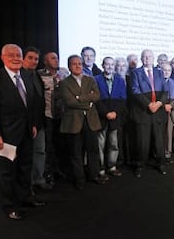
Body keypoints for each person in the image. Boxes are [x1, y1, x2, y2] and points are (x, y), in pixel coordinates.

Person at [0, 44, 45, 220]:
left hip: (26, 133)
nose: (16, 58)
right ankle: (10, 206)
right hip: (5, 136)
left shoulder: (26, 76)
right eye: (11, 55)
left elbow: (30, 105)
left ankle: (25, 198)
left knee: (25, 168)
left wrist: (32, 125)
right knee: (6, 172)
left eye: (18, 55)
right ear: (2, 57)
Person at [59, 55, 106, 189]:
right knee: (76, 153)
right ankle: (79, 179)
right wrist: (87, 102)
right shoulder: (64, 83)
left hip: (90, 121)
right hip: (73, 123)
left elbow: (96, 96)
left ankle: (94, 175)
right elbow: (69, 102)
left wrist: (79, 97)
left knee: (93, 150)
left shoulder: (90, 79)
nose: (78, 66)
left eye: (80, 63)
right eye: (74, 64)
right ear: (69, 66)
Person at [130, 49, 168, 177]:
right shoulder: (136, 73)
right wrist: (148, 104)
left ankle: (161, 164)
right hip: (143, 112)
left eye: (150, 56)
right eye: (145, 57)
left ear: (153, 58)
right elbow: (135, 90)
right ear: (141, 59)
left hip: (158, 111)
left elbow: (165, 91)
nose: (147, 59)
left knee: (159, 141)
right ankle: (139, 166)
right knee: (142, 141)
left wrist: (158, 103)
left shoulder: (159, 72)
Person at [22, 46, 52, 191]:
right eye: (30, 58)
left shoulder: (36, 75)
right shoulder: (19, 76)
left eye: (36, 59)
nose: (34, 61)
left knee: (40, 152)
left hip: (39, 122)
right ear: (23, 58)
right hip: (26, 124)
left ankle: (38, 179)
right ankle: (27, 184)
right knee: (26, 155)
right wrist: (31, 123)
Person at [37, 52, 70, 185]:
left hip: (63, 115)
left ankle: (60, 170)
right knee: (48, 145)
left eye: (57, 58)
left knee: (62, 144)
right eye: (52, 58)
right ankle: (48, 172)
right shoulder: (39, 74)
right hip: (48, 115)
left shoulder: (64, 73)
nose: (56, 60)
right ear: (45, 61)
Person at [95, 57, 127, 177]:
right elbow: (96, 99)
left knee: (114, 143)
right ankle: (101, 168)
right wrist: (105, 113)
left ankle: (112, 166)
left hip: (115, 117)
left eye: (112, 64)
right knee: (100, 144)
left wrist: (115, 113)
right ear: (102, 65)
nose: (109, 66)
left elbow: (123, 99)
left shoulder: (120, 80)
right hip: (101, 117)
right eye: (107, 64)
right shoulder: (96, 79)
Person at [162, 63, 174, 162]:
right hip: (159, 110)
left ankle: (167, 153)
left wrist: (171, 105)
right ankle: (158, 153)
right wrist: (164, 105)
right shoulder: (157, 82)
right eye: (165, 70)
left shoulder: (173, 82)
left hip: (170, 110)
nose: (166, 72)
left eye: (169, 70)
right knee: (159, 133)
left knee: (169, 133)